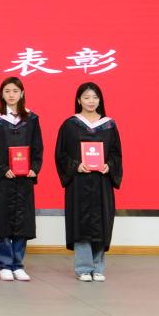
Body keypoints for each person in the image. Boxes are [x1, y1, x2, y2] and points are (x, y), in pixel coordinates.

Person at [55, 81, 123, 282]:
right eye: (86, 97)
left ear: (100, 100)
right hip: (79, 183)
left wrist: (109, 165)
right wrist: (76, 166)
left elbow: (116, 154)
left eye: (94, 97)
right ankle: (84, 268)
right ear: (79, 100)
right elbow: (61, 154)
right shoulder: (70, 125)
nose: (91, 101)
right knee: (81, 223)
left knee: (101, 222)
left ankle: (98, 267)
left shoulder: (109, 125)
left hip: (102, 182)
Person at [0, 76, 43, 282]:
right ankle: (5, 264)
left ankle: (18, 264)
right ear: (1, 94)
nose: (11, 95)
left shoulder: (31, 119)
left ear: (22, 93)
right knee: (2, 221)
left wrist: (34, 168)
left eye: (15, 91)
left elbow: (37, 146)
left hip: (24, 179)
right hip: (2, 179)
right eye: (7, 91)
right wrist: (3, 169)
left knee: (22, 222)